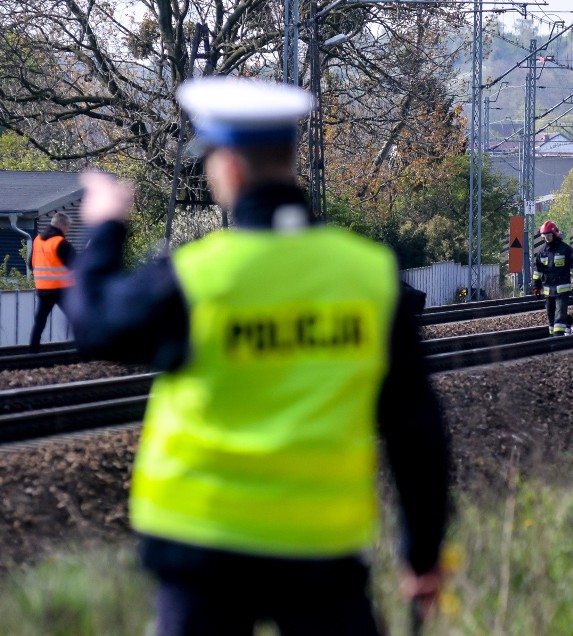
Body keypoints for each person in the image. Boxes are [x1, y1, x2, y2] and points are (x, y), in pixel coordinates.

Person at [66, 77, 449, 636]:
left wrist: (103, 228)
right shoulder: (369, 276)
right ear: (289, 160)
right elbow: (417, 429)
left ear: (231, 169)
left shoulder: (196, 277)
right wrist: (423, 555)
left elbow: (94, 322)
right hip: (320, 546)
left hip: (200, 541)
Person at [28, 212, 77, 352]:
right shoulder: (60, 243)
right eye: (68, 227)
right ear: (62, 225)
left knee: (40, 322)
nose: (68, 230)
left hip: (43, 288)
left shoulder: (38, 240)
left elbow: (30, 264)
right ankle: (85, 350)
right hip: (61, 289)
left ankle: (33, 352)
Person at [532, 219, 573, 335]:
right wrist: (536, 287)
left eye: (549, 235)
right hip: (548, 291)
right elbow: (537, 272)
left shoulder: (565, 249)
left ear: (554, 234)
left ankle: (558, 338)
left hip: (562, 290)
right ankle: (552, 338)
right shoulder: (542, 253)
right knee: (551, 317)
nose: (547, 238)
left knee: (560, 316)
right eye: (544, 236)